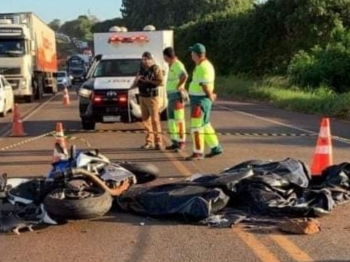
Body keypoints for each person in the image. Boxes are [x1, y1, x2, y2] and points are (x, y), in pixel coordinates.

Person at [186, 43, 223, 160]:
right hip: (200, 98)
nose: (191, 55)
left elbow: (205, 85)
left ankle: (197, 153)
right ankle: (215, 147)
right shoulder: (201, 65)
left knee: (196, 127)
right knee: (205, 124)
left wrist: (210, 95)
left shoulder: (203, 67)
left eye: (192, 52)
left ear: (196, 54)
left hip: (200, 100)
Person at [131, 51, 164, 150]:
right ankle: (149, 141)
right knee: (145, 121)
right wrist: (136, 80)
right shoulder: (140, 70)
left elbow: (160, 82)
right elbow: (134, 84)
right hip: (142, 96)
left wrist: (148, 81)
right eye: (143, 59)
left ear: (150, 60)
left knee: (155, 120)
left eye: (146, 59)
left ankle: (159, 141)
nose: (145, 61)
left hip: (152, 97)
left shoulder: (155, 69)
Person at [163, 47, 188, 152]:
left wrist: (178, 86)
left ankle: (181, 142)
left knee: (179, 120)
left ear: (166, 56)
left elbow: (184, 76)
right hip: (171, 96)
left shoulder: (177, 65)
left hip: (177, 96)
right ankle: (175, 141)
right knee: (172, 120)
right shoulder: (172, 65)